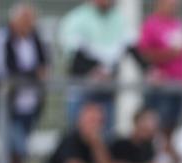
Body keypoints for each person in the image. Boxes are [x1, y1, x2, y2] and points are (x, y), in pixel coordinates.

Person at [0, 2, 50, 163]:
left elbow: (44, 66)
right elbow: (2, 72)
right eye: (24, 18)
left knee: (19, 151)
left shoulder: (36, 38)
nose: (28, 23)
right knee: (13, 148)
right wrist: (31, 75)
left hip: (29, 106)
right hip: (7, 105)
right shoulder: (3, 37)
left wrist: (34, 76)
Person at [58, 0, 135, 135]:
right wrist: (94, 70)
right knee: (78, 134)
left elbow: (131, 47)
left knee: (105, 135)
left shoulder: (118, 18)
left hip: (106, 90)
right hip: (83, 88)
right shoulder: (77, 18)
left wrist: (150, 70)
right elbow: (74, 54)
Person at [138, 0, 182, 135]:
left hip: (180, 83)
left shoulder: (179, 24)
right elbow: (144, 54)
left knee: (174, 124)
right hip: (160, 85)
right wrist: (170, 53)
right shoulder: (151, 24)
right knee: (157, 124)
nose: (174, 6)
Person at [44, 101, 122, 163]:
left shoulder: (100, 143)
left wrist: (97, 145)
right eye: (91, 120)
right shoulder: (70, 140)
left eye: (98, 121)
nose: (94, 125)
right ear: (80, 120)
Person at [108, 106, 175, 163]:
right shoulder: (120, 145)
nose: (151, 126)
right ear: (137, 122)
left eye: (154, 122)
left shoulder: (154, 146)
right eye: (147, 121)